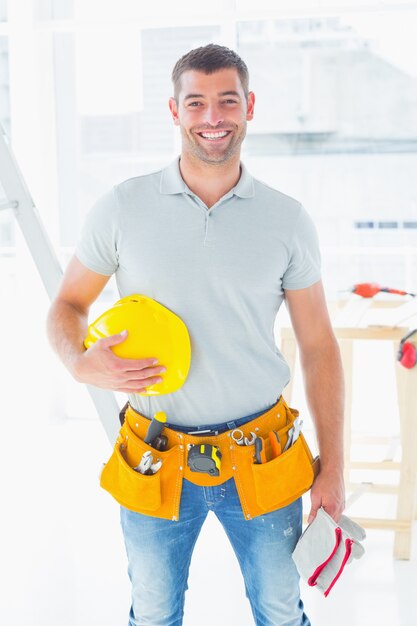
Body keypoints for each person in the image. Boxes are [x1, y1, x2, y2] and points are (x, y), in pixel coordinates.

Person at [47, 43, 345, 626]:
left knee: (282, 613)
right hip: (154, 456)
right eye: (197, 103)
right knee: (154, 614)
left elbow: (318, 346)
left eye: (227, 101)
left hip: (264, 454)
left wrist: (332, 468)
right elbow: (67, 305)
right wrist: (78, 363)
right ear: (174, 110)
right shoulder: (121, 208)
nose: (213, 117)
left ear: (250, 106)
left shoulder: (287, 220)